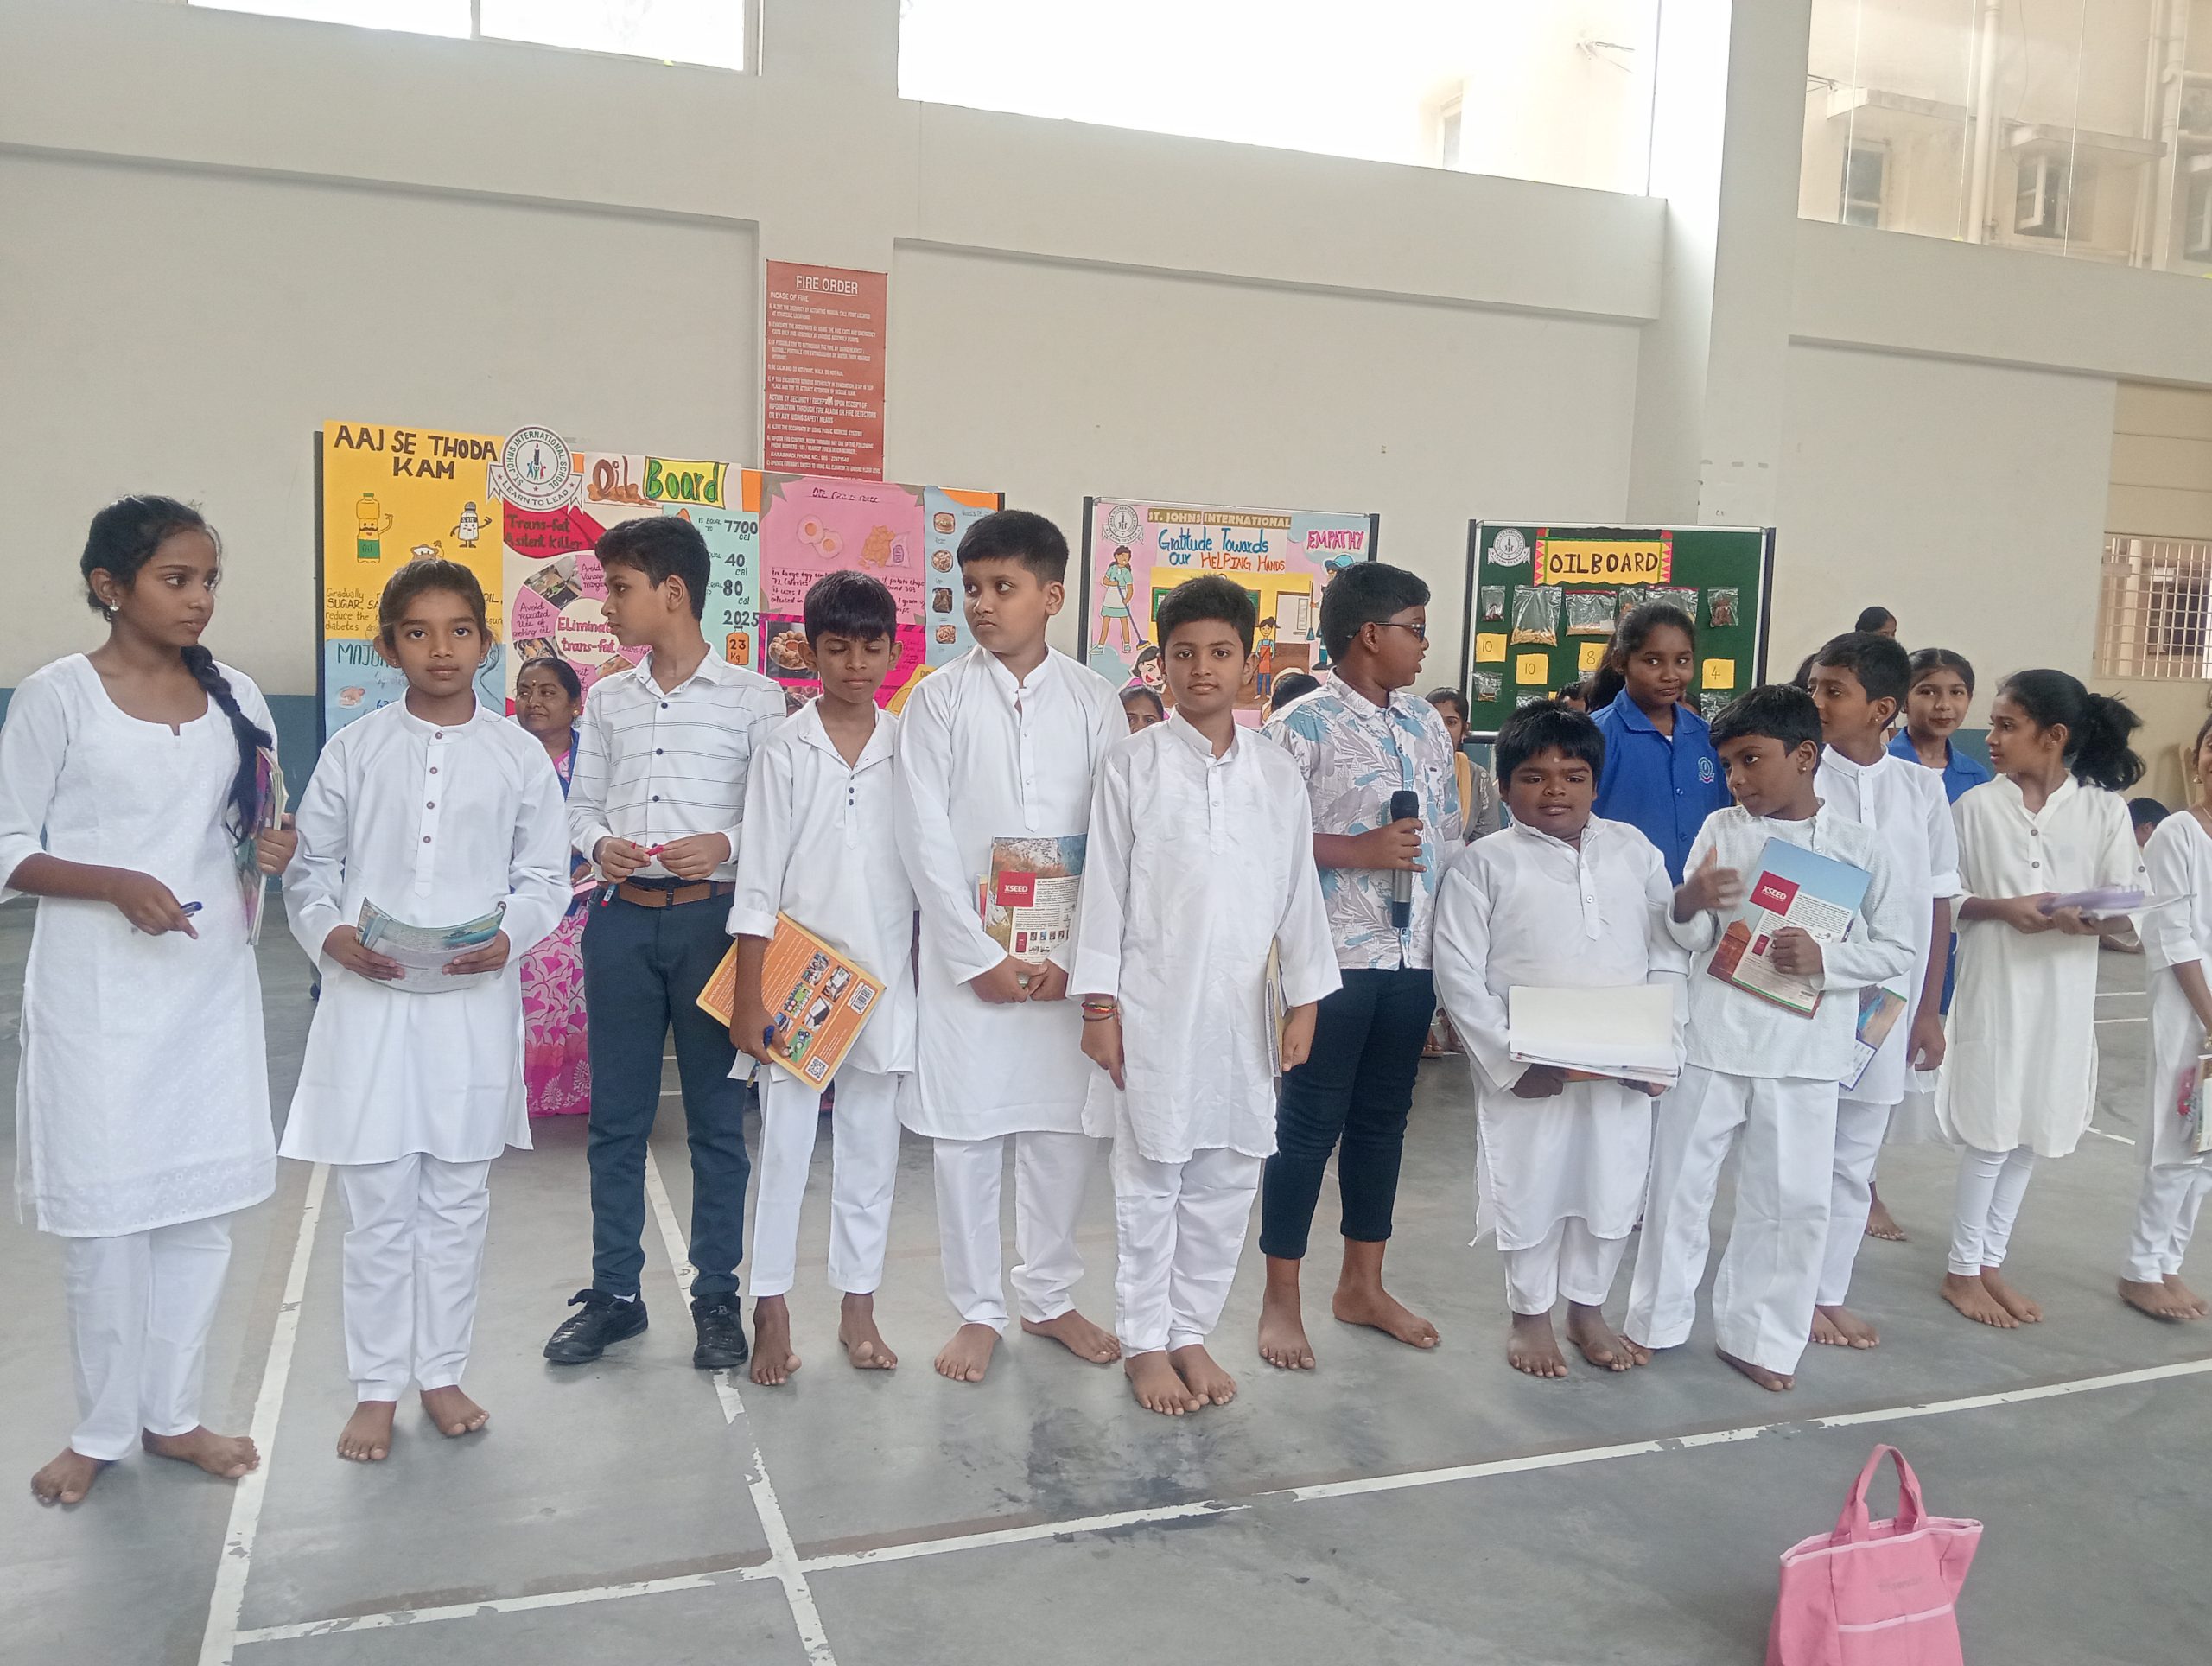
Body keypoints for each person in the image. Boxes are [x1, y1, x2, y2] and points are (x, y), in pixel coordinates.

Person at [5, 497, 295, 1507]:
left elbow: (262, 815)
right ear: (109, 585)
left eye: (208, 579)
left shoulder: (237, 695)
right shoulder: (57, 698)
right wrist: (112, 882)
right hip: (96, 1000)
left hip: (206, 990)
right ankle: (99, 1428)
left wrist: (274, 843)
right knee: (106, 1226)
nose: (199, 597)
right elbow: (7, 845)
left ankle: (172, 1415)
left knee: (198, 1217)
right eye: (177, 578)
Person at [284, 560, 569, 1462]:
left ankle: (441, 1372)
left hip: (470, 1004)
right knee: (376, 1203)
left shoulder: (517, 754)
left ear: (485, 642)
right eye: (417, 631)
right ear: (387, 645)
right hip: (367, 1003)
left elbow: (545, 877)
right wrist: (331, 936)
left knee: (456, 1198)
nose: (440, 648)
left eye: (458, 630)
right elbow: (310, 869)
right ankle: (376, 1386)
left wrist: (510, 937)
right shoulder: (355, 749)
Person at [1072, 575, 1338, 1415]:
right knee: (1152, 1174)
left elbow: (1298, 895)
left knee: (1227, 1178)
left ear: (1250, 663)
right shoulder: (1132, 765)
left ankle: (1189, 1329)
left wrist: (1306, 1001)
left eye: (1220, 652)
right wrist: (1099, 1006)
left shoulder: (1276, 773)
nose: (1201, 669)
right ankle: (1145, 1341)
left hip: (1243, 1013)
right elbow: (1104, 892)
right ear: (1161, 663)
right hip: (1153, 1005)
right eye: (1183, 653)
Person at [543, 516, 785, 1370]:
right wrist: (597, 841)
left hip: (713, 928)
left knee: (717, 1122)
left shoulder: (755, 699)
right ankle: (615, 1294)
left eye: (619, 588)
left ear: (672, 593)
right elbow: (580, 806)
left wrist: (725, 843)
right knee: (617, 1120)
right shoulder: (609, 699)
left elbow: (779, 821)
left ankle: (716, 1297)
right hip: (620, 923)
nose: (607, 605)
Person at [1625, 684, 1914, 1392]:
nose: (1737, 779)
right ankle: (1655, 1322)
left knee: (1790, 1203)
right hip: (1715, 1038)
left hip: (1803, 1053)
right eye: (1728, 765)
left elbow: (1898, 947)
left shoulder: (1860, 847)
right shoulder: (1723, 831)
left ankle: (1759, 1337)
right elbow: (1693, 934)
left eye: (1751, 760)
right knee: (1678, 1189)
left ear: (1805, 756)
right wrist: (1688, 902)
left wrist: (1827, 960)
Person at [894, 509, 1127, 1383]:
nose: (982, 605)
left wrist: (1083, 957)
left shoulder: (1095, 701)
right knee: (966, 1134)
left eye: (1004, 587)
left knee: (1062, 1130)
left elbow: (1114, 836)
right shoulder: (938, 699)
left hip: (1066, 957)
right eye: (971, 588)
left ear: (1053, 595)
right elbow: (921, 836)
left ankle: (1050, 1295)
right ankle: (977, 1309)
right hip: (973, 961)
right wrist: (975, 957)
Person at [1433, 702, 1684, 1380]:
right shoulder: (1483, 865)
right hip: (1529, 1064)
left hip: (1623, 1063)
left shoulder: (1634, 852)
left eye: (1573, 777)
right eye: (1534, 777)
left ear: (1596, 784)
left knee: (1612, 1182)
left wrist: (1660, 1051)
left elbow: (1669, 953)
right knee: (1531, 1182)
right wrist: (1510, 1065)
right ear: (1504, 785)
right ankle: (1530, 1315)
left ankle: (1588, 1308)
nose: (1555, 792)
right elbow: (1458, 974)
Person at [1256, 562, 1461, 1370]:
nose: (1424, 645)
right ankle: (1280, 1300)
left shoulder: (1425, 724)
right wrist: (1357, 851)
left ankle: (1362, 1286)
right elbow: (1258, 843)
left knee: (1384, 1121)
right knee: (1308, 1128)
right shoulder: (1297, 728)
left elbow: (1446, 834)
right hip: (1331, 961)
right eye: (1416, 628)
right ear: (1370, 635)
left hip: (1414, 956)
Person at [728, 570, 915, 1385]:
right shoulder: (784, 748)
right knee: (784, 1151)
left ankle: (858, 1305)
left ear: (893, 652)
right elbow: (757, 882)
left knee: (873, 1149)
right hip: (798, 977)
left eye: (871, 649)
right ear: (809, 653)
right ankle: (769, 1306)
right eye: (837, 649)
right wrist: (749, 995)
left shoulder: (910, 747)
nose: (855, 666)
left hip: (885, 977)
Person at [1937, 671, 2143, 1329]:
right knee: (1991, 1127)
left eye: (2007, 726)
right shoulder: (1974, 808)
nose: (1992, 738)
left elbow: (2129, 909)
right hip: (1996, 988)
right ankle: (1962, 1269)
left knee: (2033, 1127)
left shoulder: (2103, 812)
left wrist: (2094, 919)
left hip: (2063, 993)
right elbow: (1944, 899)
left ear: (2053, 737)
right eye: (1995, 724)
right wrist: (2007, 908)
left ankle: (1990, 1260)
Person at [1803, 633, 1958, 1350]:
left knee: (1854, 1159)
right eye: (1814, 687)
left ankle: (1828, 1290)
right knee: (1799, 1153)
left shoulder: (1920, 790)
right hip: (1808, 993)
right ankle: (1791, 1292)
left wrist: (1929, 1010)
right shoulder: (1801, 777)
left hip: (1888, 1006)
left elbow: (1938, 901)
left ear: (1882, 708)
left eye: (1834, 690)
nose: (1818, 701)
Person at [1877, 646, 1993, 1221]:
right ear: (1902, 699)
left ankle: (1864, 1178)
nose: (1943, 705)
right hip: (1884, 933)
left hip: (1943, 934)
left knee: (1909, 1059)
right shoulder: (1883, 764)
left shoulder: (1978, 778)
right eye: (1928, 691)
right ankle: (1863, 1187)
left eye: (1956, 692)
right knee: (1868, 1055)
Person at [2123, 712, 2212, 1322]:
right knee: (2178, 1137)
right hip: (2190, 1005)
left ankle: (2169, 1262)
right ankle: (2140, 1268)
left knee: (2209, 1148)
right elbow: (2175, 935)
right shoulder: (2179, 834)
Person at [1589, 602, 1730, 885]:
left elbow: (1722, 820)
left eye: (1682, 661)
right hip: (1619, 895)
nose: (1670, 675)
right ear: (1620, 661)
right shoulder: (1595, 735)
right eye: (1653, 661)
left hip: (1696, 900)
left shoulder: (1708, 738)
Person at [513, 656, 594, 1116]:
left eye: (548, 693)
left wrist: (594, 858)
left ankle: (576, 1089)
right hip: (516, 898)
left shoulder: (595, 760)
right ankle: (521, 1093)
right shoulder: (502, 754)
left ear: (575, 704)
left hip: (585, 898)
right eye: (526, 692)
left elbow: (615, 817)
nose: (534, 701)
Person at [1425, 687, 1501, 841]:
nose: (1442, 730)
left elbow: (1486, 843)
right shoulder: (1404, 771)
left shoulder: (1477, 778)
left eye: (1451, 722)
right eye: (1434, 722)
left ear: (1464, 730)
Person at [1097, 544, 1140, 652]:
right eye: (1122, 556)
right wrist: (1114, 583)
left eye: (1127, 557)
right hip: (1111, 597)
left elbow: (1130, 588)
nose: (1125, 559)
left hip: (1121, 598)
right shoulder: (1112, 569)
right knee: (1106, 622)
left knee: (1124, 622)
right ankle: (1101, 645)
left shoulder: (1127, 572)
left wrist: (1127, 599)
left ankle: (1127, 644)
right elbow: (1104, 581)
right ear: (1116, 556)